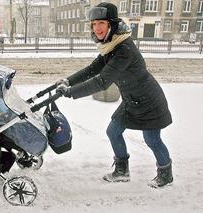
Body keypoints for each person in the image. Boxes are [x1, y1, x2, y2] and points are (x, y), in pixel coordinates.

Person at [56, 2, 173, 188]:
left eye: (101, 23)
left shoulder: (124, 49)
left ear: (111, 24)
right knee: (113, 131)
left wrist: (71, 93)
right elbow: (93, 69)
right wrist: (68, 81)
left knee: (152, 139)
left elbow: (102, 81)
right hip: (131, 99)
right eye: (94, 24)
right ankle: (121, 171)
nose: (97, 28)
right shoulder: (111, 45)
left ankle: (165, 174)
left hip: (149, 100)